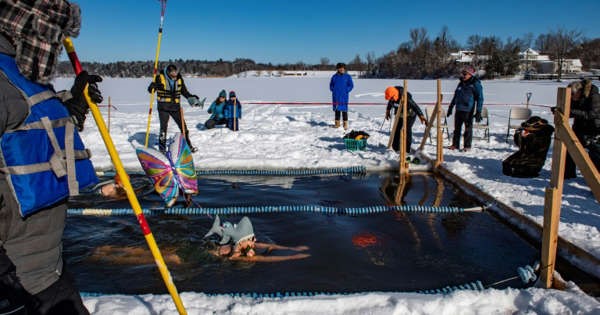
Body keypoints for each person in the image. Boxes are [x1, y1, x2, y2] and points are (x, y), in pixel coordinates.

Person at [0, 1, 104, 314]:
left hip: (47, 271)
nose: (55, 47)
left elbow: (37, 138)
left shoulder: (19, 72)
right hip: (19, 284)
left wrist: (74, 103)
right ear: (32, 29)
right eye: (52, 36)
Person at [203, 216, 310, 262]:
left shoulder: (243, 244)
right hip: (217, 255)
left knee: (251, 252)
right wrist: (291, 258)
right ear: (242, 242)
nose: (255, 239)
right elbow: (265, 259)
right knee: (249, 259)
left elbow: (269, 246)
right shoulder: (234, 256)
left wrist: (293, 249)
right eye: (252, 238)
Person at [147, 64, 199, 153]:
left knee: (184, 128)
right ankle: (162, 149)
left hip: (175, 107)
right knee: (163, 129)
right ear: (168, 72)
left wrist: (192, 98)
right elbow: (151, 90)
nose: (175, 74)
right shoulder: (160, 77)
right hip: (163, 107)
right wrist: (152, 86)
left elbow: (184, 92)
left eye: (176, 72)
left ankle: (188, 146)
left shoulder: (179, 79)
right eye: (172, 72)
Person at [560, 79, 600, 178]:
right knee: (571, 149)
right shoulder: (575, 98)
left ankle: (596, 180)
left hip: (595, 128)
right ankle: (568, 174)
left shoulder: (594, 96)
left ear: (579, 91)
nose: (572, 98)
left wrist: (572, 112)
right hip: (580, 127)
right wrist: (560, 111)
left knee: (595, 155)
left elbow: (592, 114)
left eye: (572, 95)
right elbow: (570, 109)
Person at [446, 65, 484, 152]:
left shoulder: (475, 83)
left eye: (465, 74)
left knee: (468, 129)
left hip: (468, 110)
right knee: (457, 128)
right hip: (459, 108)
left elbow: (480, 98)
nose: (462, 75)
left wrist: (478, 111)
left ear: (470, 74)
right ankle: (455, 145)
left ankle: (467, 146)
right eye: (462, 73)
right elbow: (456, 96)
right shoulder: (461, 83)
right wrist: (451, 107)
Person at [384, 86, 427, 153]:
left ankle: (407, 149)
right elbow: (390, 103)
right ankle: (395, 147)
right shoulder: (392, 97)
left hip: (410, 115)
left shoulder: (406, 97)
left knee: (407, 130)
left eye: (391, 98)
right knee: (397, 129)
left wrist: (421, 115)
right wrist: (387, 111)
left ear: (395, 95)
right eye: (390, 99)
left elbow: (415, 106)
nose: (391, 100)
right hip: (400, 115)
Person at [329, 62, 354, 130]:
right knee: (337, 110)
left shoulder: (347, 76)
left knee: (344, 110)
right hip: (336, 96)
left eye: (343, 68)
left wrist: (347, 90)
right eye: (340, 68)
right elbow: (331, 85)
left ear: (344, 69)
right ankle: (337, 124)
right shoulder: (334, 77)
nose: (341, 69)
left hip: (344, 96)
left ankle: (345, 124)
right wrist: (333, 90)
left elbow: (351, 85)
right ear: (338, 69)